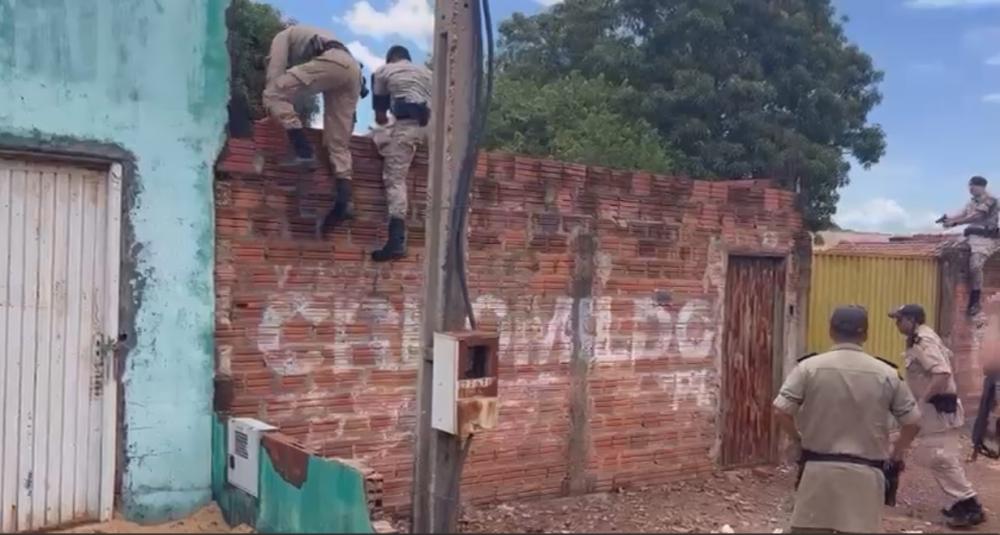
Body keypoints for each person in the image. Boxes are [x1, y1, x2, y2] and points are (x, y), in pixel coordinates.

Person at [774, 305, 922, 533]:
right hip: (865, 477)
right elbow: (912, 423)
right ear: (865, 334)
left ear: (831, 331)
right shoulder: (887, 374)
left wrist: (798, 440)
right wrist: (897, 451)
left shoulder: (808, 368)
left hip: (817, 473)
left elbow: (781, 411)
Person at [890, 304, 986, 527]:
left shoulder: (924, 341)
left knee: (940, 458)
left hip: (937, 409)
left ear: (912, 320)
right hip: (937, 409)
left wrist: (922, 401)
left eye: (900, 320)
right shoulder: (919, 338)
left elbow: (942, 373)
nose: (897, 325)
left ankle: (968, 505)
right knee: (937, 457)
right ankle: (958, 501)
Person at [262, 24, 364, 234]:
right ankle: (344, 200)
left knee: (273, 93)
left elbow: (276, 73)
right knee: (337, 141)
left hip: (334, 62)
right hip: (354, 70)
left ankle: (303, 150)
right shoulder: (319, 33)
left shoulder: (283, 35)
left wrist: (273, 111)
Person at [369, 45, 432, 262]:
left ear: (390, 59)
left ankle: (396, 240)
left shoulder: (383, 72)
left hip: (408, 124)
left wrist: (384, 132)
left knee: (394, 178)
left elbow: (380, 116)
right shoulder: (428, 73)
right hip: (434, 127)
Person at [938, 175, 999, 316]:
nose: (971, 189)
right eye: (970, 186)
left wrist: (955, 223)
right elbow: (962, 213)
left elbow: (976, 216)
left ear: (982, 187)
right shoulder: (971, 202)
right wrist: (948, 218)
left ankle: (975, 300)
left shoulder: (990, 200)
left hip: (985, 238)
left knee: (975, 265)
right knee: (948, 250)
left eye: (974, 186)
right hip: (971, 236)